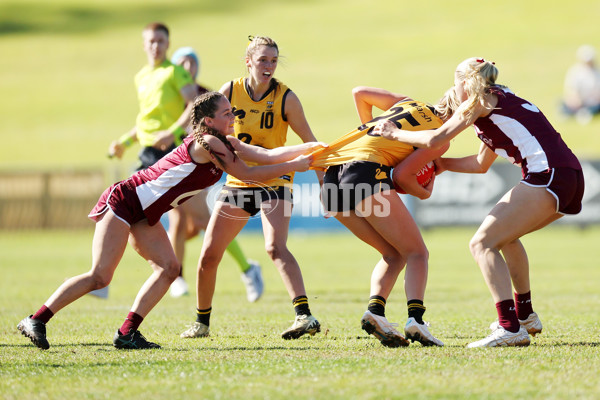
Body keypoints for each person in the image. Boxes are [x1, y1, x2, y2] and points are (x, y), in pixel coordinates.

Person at [16, 91, 322, 350]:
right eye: (227, 113)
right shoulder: (209, 143)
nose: (234, 118)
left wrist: (312, 148)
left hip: (144, 214)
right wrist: (297, 164)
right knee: (100, 276)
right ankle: (36, 319)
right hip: (125, 201)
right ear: (208, 122)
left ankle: (127, 333)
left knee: (170, 268)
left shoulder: (226, 143)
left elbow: (267, 155)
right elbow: (248, 174)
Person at [374, 57, 585, 348]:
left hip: (548, 176)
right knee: (506, 239)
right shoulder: (499, 100)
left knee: (481, 244)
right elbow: (479, 164)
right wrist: (442, 165)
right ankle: (523, 316)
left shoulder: (479, 101)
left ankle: (509, 327)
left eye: (454, 81)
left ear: (464, 82)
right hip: (569, 177)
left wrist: (394, 133)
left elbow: (436, 138)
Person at [180, 36, 324, 340]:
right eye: (263, 60)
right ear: (248, 62)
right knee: (209, 254)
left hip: (276, 178)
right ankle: (201, 323)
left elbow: (310, 142)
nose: (269, 66)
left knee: (275, 247)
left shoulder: (287, 98)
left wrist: (326, 187)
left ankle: (304, 316)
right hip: (239, 180)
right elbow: (207, 134)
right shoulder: (228, 92)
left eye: (274, 60)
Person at [309, 86, 449, 347]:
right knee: (417, 253)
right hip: (365, 172)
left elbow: (359, 92)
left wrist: (373, 137)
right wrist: (425, 192)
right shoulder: (441, 135)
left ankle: (375, 314)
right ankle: (416, 320)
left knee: (393, 254)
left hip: (331, 176)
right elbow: (402, 177)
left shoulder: (409, 103)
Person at [104, 22, 199, 300]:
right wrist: (124, 141)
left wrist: (173, 132)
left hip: (169, 153)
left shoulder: (175, 71)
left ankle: (243, 269)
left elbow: (195, 104)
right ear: (144, 44)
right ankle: (107, 276)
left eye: (160, 40)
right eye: (151, 41)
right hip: (147, 153)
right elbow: (145, 120)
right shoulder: (141, 77)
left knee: (194, 216)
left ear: (168, 44)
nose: (155, 45)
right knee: (121, 210)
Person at [168, 46, 264, 302]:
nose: (188, 68)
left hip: (195, 163)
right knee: (178, 221)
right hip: (172, 163)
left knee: (199, 220)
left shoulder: (203, 96)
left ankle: (246, 268)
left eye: (192, 62)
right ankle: (177, 276)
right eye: (183, 63)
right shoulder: (169, 93)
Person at [560, 44, 600, 124]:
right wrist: (575, 100)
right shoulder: (575, 71)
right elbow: (571, 89)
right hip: (579, 101)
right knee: (564, 103)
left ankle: (585, 113)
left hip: (593, 102)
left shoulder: (597, 72)